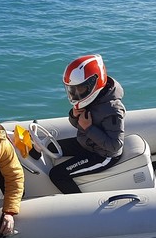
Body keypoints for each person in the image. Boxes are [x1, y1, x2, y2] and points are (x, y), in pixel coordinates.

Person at [49, 54, 125, 194]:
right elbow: (77, 124)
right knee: (50, 147)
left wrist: (89, 128)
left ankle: (78, 205)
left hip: (104, 155)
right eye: (73, 89)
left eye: (80, 89)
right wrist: (74, 116)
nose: (76, 93)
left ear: (93, 83)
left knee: (57, 175)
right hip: (87, 143)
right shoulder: (89, 99)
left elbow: (115, 146)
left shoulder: (113, 109)